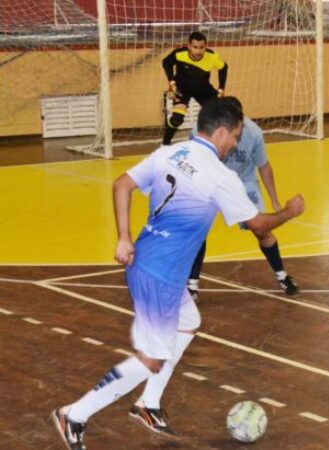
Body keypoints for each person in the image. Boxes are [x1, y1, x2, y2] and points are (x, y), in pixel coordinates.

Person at [51, 97, 305, 450]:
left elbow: (121, 184)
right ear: (220, 132)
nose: (235, 143)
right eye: (235, 135)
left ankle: (147, 403)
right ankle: (74, 414)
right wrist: (291, 211)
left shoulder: (170, 153)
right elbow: (258, 223)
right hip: (160, 275)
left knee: (187, 322)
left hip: (149, 260)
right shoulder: (220, 177)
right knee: (151, 359)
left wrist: (124, 236)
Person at [187, 98, 299, 301]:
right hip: (212, 180)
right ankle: (192, 285)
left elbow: (264, 165)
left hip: (242, 181)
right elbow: (193, 159)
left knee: (261, 229)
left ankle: (282, 275)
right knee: (198, 229)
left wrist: (274, 199)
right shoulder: (201, 130)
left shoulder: (254, 133)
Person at [161, 31, 228, 145]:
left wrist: (221, 88)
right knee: (177, 119)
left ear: (205, 46)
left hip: (203, 89)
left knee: (220, 115)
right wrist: (171, 81)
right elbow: (166, 62)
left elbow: (224, 68)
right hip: (182, 89)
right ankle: (165, 144)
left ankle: (217, 145)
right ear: (189, 46)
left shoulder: (212, 56)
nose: (198, 51)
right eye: (195, 47)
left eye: (201, 47)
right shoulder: (179, 54)